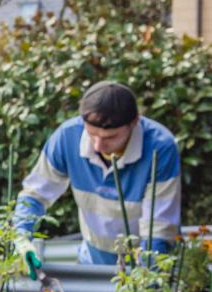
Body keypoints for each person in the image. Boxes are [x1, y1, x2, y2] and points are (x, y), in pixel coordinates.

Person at [13, 81, 181, 274]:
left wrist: (147, 280)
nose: (98, 146)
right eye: (92, 135)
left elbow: (159, 228)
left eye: (110, 137)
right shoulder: (67, 137)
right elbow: (35, 194)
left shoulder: (160, 147)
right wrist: (22, 237)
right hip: (93, 261)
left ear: (134, 122)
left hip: (143, 264)